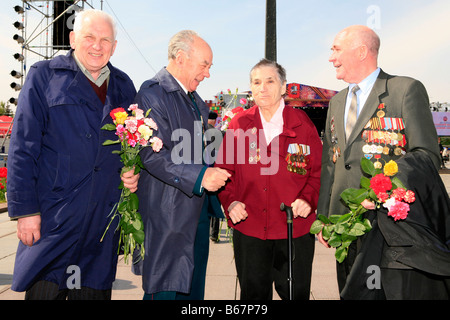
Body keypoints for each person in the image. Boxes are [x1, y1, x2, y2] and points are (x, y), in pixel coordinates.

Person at [6, 9, 138, 300]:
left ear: (114, 47)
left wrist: (133, 171)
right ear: (72, 39)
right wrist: (26, 212)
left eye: (106, 40)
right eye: (89, 37)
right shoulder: (44, 76)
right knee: (45, 291)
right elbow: (22, 148)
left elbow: (133, 145)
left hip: (101, 228)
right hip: (54, 222)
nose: (97, 45)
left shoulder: (125, 86)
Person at [318, 25, 449, 299]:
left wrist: (379, 191)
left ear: (362, 51)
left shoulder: (404, 90)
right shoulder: (337, 101)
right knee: (350, 291)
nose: (331, 57)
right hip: (346, 225)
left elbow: (426, 154)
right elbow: (331, 164)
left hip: (390, 227)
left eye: (336, 49)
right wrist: (327, 217)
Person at [132, 30, 229, 300]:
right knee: (165, 289)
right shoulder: (152, 93)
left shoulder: (197, 102)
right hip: (168, 216)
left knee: (192, 291)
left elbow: (201, 152)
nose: (208, 74)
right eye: (204, 65)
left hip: (196, 212)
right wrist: (200, 177)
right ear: (181, 57)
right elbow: (151, 154)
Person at [215, 59, 322, 300]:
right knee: (253, 297)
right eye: (256, 82)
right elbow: (223, 171)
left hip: (295, 230)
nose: (262, 87)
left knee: (296, 294)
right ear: (251, 89)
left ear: (284, 87)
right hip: (251, 230)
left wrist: (308, 199)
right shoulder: (239, 125)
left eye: (270, 81)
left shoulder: (303, 125)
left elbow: (318, 173)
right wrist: (230, 202)